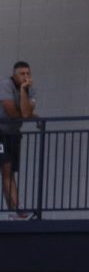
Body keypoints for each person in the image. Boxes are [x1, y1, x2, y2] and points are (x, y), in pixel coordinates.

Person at [0, 61, 37, 220]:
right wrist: (26, 113)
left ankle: (14, 211)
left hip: (13, 134)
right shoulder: (5, 85)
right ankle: (15, 210)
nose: (26, 77)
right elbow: (12, 113)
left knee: (10, 172)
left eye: (28, 73)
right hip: (1, 132)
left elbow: (27, 113)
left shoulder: (30, 88)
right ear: (14, 75)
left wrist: (23, 91)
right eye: (22, 74)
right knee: (6, 169)